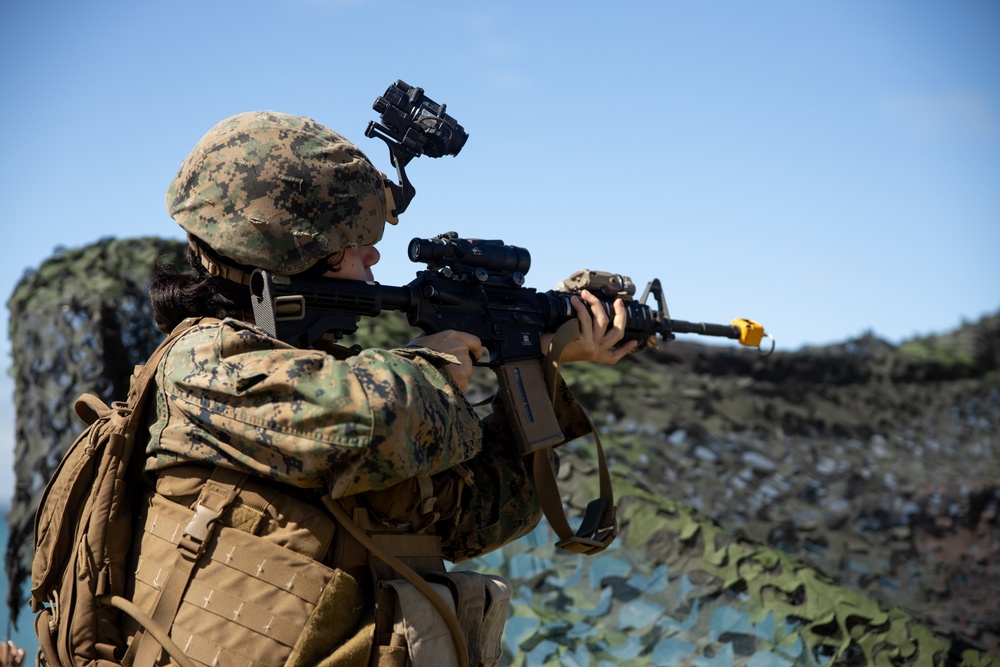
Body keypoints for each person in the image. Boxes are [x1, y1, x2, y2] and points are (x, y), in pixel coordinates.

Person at [125, 111, 636, 667]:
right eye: (355, 239)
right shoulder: (201, 362)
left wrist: (535, 362)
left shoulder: (311, 371)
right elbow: (372, 422)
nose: (374, 254)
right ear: (290, 248)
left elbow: (480, 517)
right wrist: (432, 364)